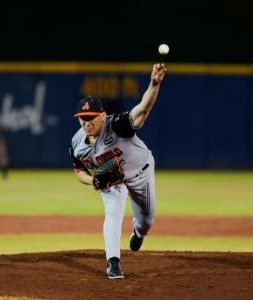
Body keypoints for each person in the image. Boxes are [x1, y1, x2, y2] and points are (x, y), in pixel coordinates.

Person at [69, 63, 167, 279]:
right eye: (82, 118)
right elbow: (78, 172)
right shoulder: (77, 143)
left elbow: (142, 110)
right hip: (112, 179)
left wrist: (154, 84)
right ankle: (113, 262)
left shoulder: (117, 125)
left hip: (140, 173)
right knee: (113, 212)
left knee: (148, 220)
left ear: (103, 116)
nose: (86, 122)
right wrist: (93, 180)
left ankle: (139, 231)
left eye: (91, 117)